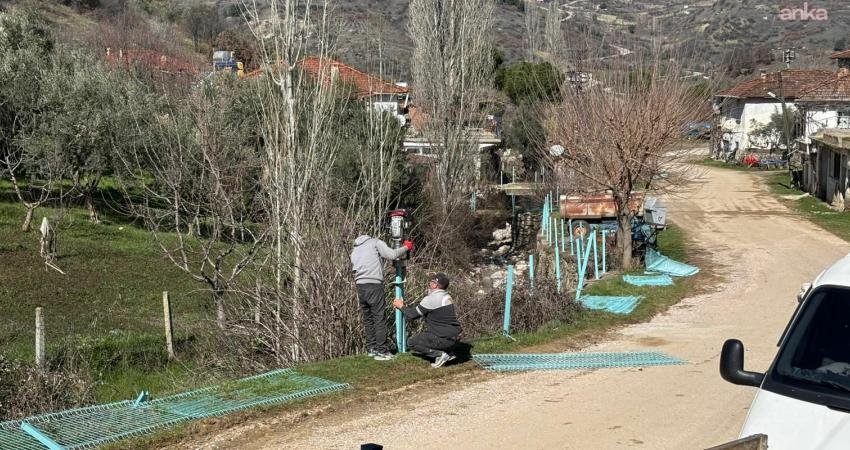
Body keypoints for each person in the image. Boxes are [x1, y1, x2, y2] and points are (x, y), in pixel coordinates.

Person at [351, 234, 413, 361]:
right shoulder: (375, 243)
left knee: (368, 319)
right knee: (379, 317)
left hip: (360, 285)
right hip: (374, 284)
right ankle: (382, 351)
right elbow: (391, 254)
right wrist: (406, 247)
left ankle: (372, 348)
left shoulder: (356, 248)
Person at [393, 272, 462, 368]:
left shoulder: (432, 298)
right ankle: (449, 352)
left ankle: (440, 355)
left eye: (431, 282)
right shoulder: (447, 296)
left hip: (442, 338)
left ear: (435, 284)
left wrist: (401, 306)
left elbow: (413, 315)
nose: (429, 284)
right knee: (433, 333)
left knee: (412, 342)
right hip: (454, 337)